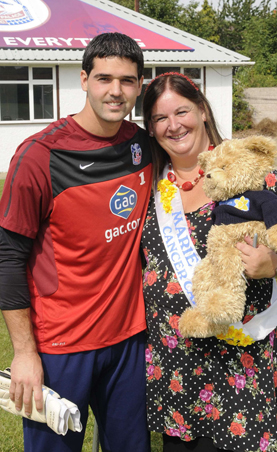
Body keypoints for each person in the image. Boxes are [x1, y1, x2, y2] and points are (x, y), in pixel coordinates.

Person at [0, 32, 152, 452]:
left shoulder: (141, 145)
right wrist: (25, 353)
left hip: (129, 341)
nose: (115, 91)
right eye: (104, 78)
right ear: (84, 79)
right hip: (61, 347)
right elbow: (8, 256)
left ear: (139, 85)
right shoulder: (39, 156)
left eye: (126, 80)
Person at [141, 72, 277, 452]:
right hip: (176, 363)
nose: (173, 125)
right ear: (150, 128)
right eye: (160, 119)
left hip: (243, 362)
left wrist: (274, 263)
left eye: (182, 112)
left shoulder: (251, 173)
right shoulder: (147, 184)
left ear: (202, 111)